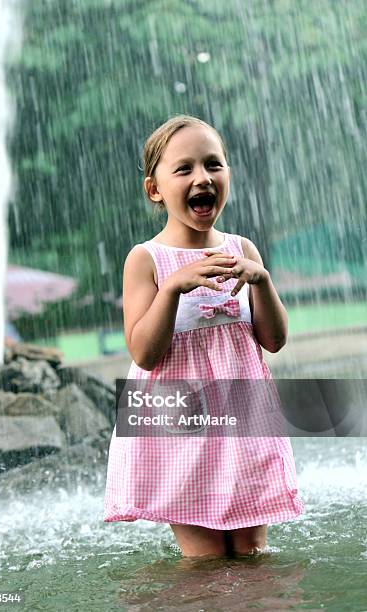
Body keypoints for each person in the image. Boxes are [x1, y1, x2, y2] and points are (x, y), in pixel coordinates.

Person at [103, 115, 304, 558]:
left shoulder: (241, 249)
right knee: (207, 560)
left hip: (244, 420)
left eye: (214, 165)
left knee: (252, 551)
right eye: (184, 169)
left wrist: (262, 281)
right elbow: (144, 353)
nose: (202, 178)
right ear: (155, 189)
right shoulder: (146, 259)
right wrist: (174, 286)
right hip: (180, 426)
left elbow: (274, 341)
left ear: (227, 175)